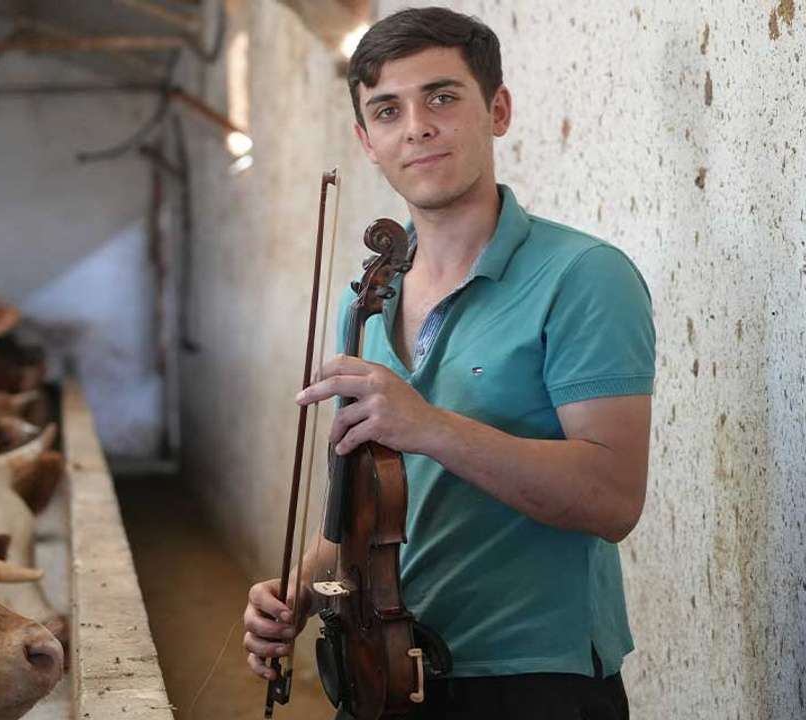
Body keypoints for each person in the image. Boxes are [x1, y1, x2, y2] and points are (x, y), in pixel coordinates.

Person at [242, 7, 655, 719]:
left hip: (531, 683)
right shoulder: (366, 303)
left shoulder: (584, 276)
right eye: (387, 110)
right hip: (381, 672)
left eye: (441, 97)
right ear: (366, 141)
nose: (417, 127)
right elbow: (363, 514)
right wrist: (299, 591)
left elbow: (613, 501)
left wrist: (429, 425)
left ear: (497, 109)